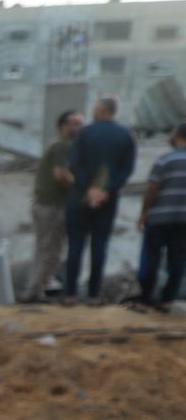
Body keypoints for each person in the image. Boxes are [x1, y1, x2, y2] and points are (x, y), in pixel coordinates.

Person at [65, 96, 138, 306]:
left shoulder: (84, 133)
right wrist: (106, 190)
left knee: (75, 246)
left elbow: (74, 163)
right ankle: (93, 295)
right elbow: (127, 169)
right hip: (108, 200)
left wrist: (89, 189)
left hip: (79, 198)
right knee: (100, 245)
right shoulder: (126, 135)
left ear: (100, 109)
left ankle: (70, 294)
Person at [24, 110, 82, 303]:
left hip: (42, 204)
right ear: (63, 126)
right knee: (52, 252)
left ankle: (33, 289)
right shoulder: (62, 147)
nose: (78, 127)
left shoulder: (57, 144)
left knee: (42, 249)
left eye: (80, 123)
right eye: (74, 123)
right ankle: (35, 290)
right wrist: (78, 191)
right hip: (53, 205)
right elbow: (60, 175)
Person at [135, 122, 186, 313]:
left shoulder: (165, 159)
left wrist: (144, 212)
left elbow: (152, 188)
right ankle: (167, 300)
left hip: (159, 218)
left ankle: (145, 299)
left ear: (177, 136)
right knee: (178, 260)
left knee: (151, 258)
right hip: (184, 220)